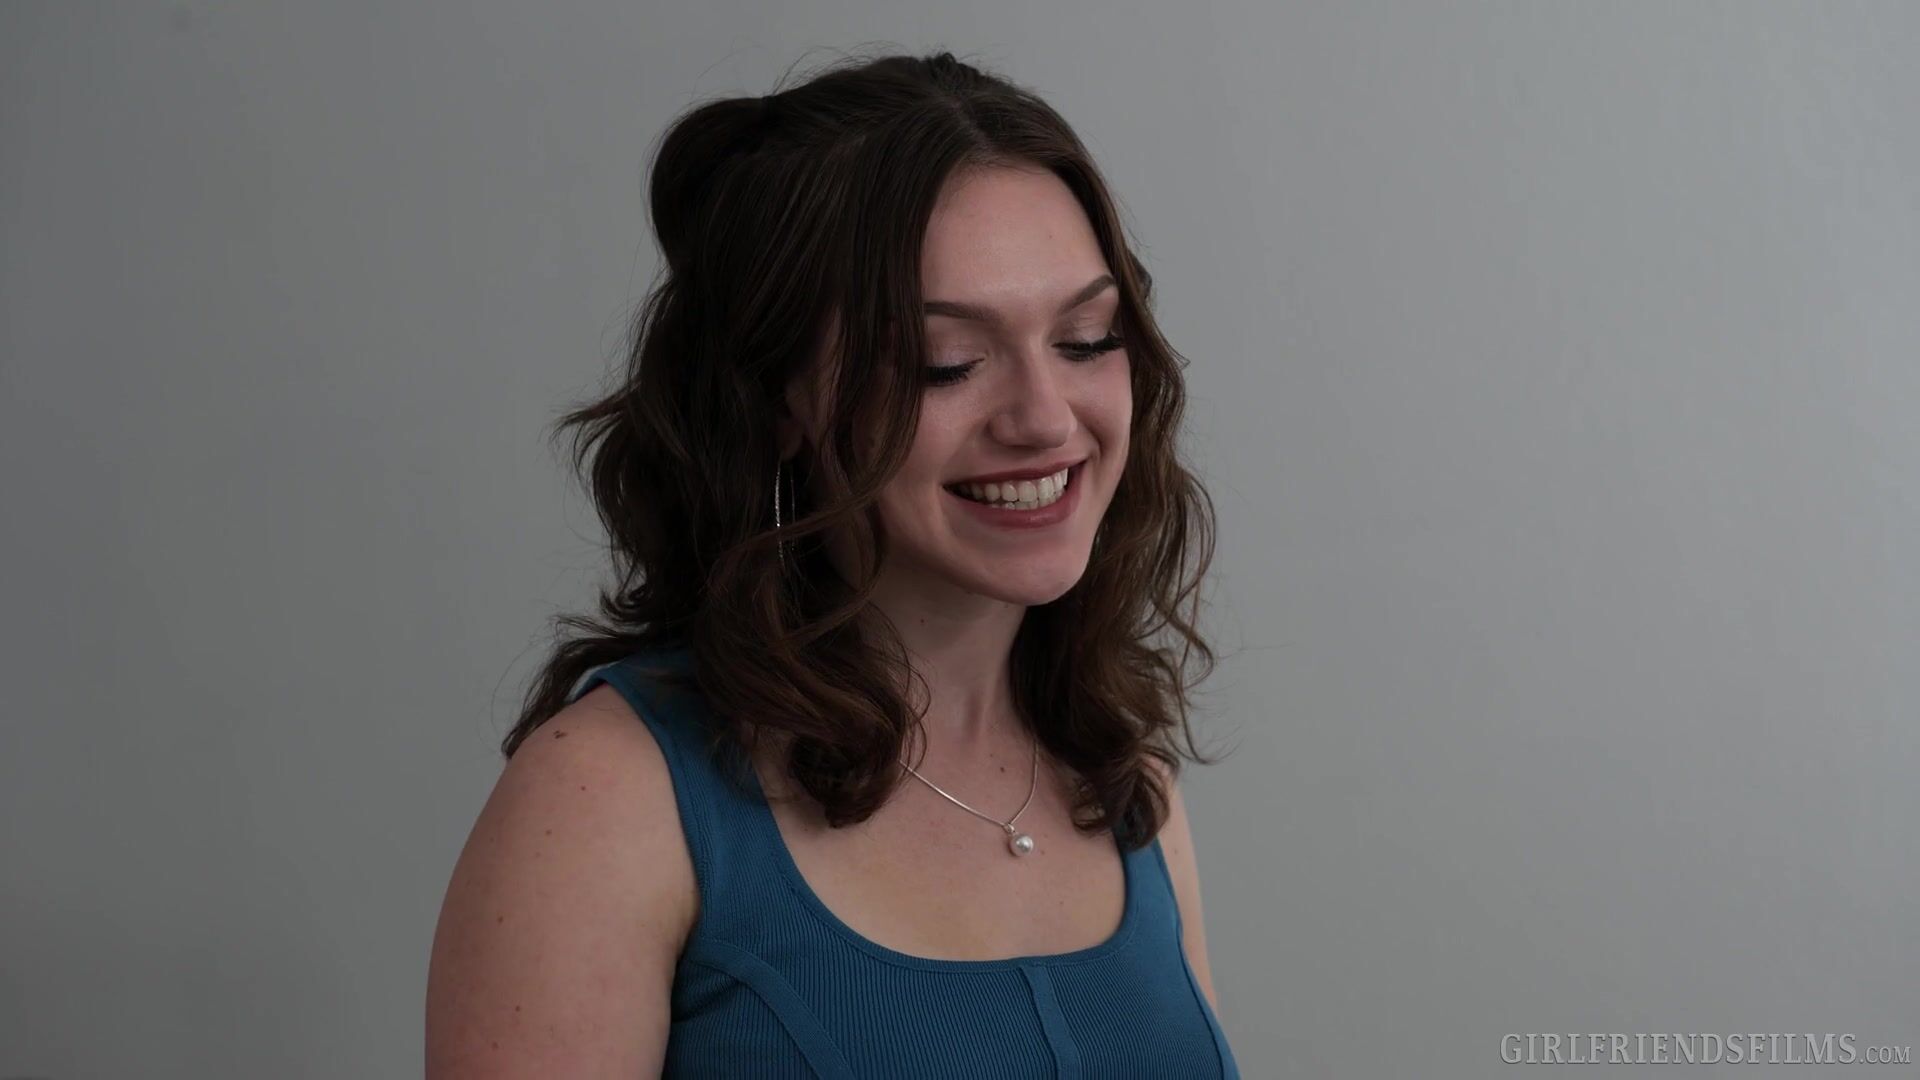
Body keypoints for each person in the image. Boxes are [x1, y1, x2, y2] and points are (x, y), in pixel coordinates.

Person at [426, 49, 1238, 1078]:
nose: (1045, 418)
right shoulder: (608, 798)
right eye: (947, 363)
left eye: (1086, 338)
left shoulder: (1129, 786)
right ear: (776, 401)